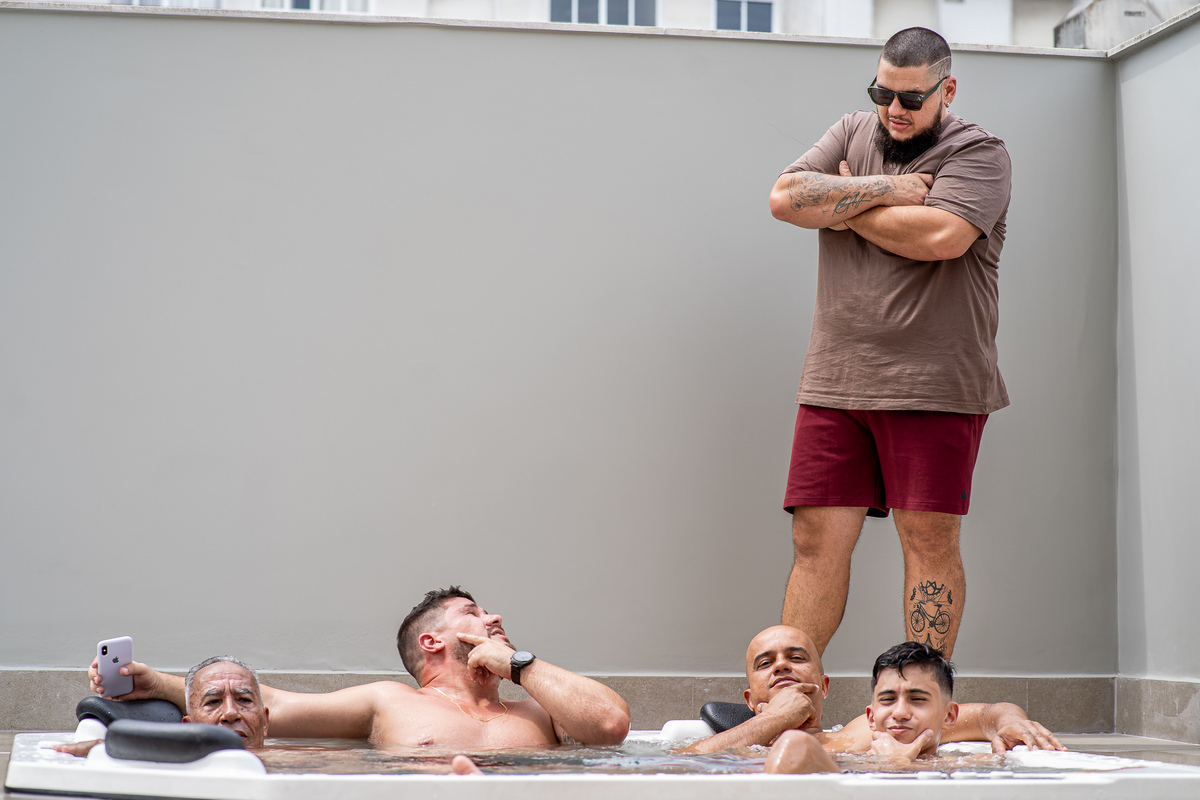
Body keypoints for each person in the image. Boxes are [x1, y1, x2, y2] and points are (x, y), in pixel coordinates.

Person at [768, 27, 1013, 658]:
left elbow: (941, 238)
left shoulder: (979, 153)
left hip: (933, 384)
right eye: (882, 93)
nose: (893, 110)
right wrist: (890, 190)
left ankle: (921, 695)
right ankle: (792, 696)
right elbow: (785, 199)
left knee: (928, 540)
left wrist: (841, 203)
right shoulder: (852, 130)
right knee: (813, 542)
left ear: (947, 91)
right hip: (835, 380)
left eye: (910, 98)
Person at [88, 586, 630, 748]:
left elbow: (611, 725)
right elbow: (266, 709)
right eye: (473, 613)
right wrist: (156, 682)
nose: (494, 618)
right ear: (431, 641)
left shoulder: (540, 710)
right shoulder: (389, 701)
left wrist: (517, 665)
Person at [687, 625, 1063, 771]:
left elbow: (987, 715)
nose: (782, 666)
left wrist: (1011, 722)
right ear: (750, 699)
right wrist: (775, 719)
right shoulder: (733, 748)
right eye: (766, 663)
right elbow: (685, 765)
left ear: (824, 685)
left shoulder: (871, 731)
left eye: (796, 658)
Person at [57, 655, 269, 756]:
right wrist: (110, 747)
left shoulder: (284, 758)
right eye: (213, 702)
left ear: (265, 721)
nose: (230, 713)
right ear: (188, 727)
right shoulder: (177, 769)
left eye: (244, 700)